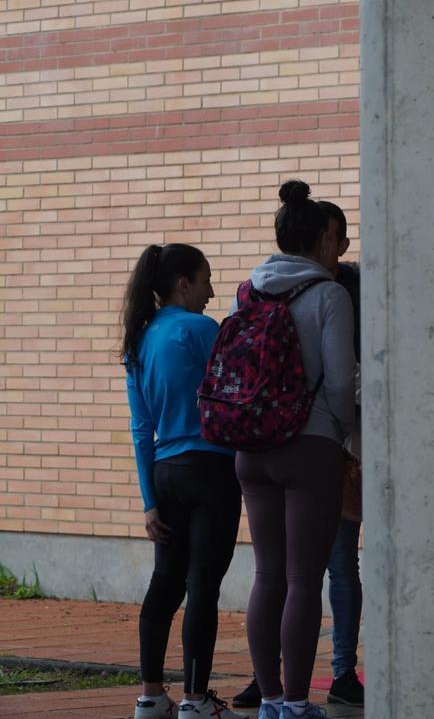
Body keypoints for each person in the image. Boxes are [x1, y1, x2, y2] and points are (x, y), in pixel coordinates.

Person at [232, 200, 363, 710]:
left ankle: (267, 698)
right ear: (324, 241)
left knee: (267, 575)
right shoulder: (329, 294)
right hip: (309, 448)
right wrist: (343, 437)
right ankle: (294, 702)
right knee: (304, 579)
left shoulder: (249, 289)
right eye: (341, 238)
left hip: (251, 447)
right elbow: (340, 380)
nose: (343, 249)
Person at [121, 243, 246, 719]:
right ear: (183, 284)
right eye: (207, 280)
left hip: (165, 475)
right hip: (211, 471)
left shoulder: (139, 337)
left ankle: (151, 697)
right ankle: (195, 701)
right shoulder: (201, 329)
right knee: (203, 586)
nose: (213, 292)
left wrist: (149, 500)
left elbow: (140, 428)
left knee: (165, 583)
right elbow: (235, 392)